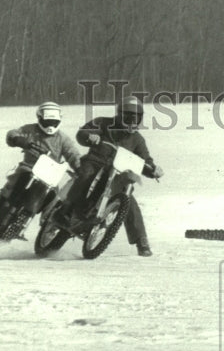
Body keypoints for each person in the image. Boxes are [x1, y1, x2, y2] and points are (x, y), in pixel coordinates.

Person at [54, 95, 164, 256]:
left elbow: (145, 160)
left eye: (136, 117)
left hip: (118, 173)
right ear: (120, 114)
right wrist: (90, 136)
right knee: (86, 175)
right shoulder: (103, 123)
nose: (132, 121)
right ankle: (65, 210)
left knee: (128, 199)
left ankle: (141, 241)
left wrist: (153, 169)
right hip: (96, 162)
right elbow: (83, 133)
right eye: (128, 117)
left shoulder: (137, 139)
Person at [0, 101, 83, 225]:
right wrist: (17, 139)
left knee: (54, 200)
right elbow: (13, 133)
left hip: (50, 176)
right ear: (40, 118)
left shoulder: (63, 139)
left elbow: (73, 154)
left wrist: (80, 168)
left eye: (54, 122)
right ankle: (4, 207)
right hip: (28, 168)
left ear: (59, 120)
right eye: (47, 122)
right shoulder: (30, 130)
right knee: (17, 182)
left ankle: (48, 225)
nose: (50, 125)